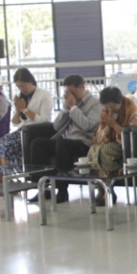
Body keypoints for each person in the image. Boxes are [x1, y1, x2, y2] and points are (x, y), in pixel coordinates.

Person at [28, 74, 101, 204]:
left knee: (63, 143)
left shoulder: (95, 104)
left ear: (82, 88)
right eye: (67, 92)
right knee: (37, 143)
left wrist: (73, 108)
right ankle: (43, 188)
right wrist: (65, 109)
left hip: (83, 143)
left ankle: (62, 190)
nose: (70, 96)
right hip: (65, 141)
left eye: (73, 92)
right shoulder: (69, 103)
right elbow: (56, 126)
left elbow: (88, 126)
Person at [0, 68, 54, 179]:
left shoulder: (44, 95)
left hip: (36, 131)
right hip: (22, 130)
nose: (21, 89)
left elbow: (45, 120)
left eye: (23, 86)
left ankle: (9, 179)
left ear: (30, 81)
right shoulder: (20, 96)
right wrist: (18, 110)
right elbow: (15, 122)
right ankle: (0, 179)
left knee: (7, 147)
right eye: (18, 86)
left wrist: (24, 110)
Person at [87, 87, 137, 205]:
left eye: (112, 106)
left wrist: (113, 124)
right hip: (109, 142)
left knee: (104, 152)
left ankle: (109, 190)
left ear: (119, 101)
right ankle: (101, 188)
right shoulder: (105, 110)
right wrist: (108, 126)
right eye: (106, 106)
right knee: (93, 151)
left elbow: (134, 135)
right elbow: (101, 132)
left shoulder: (132, 110)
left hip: (126, 145)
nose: (109, 109)